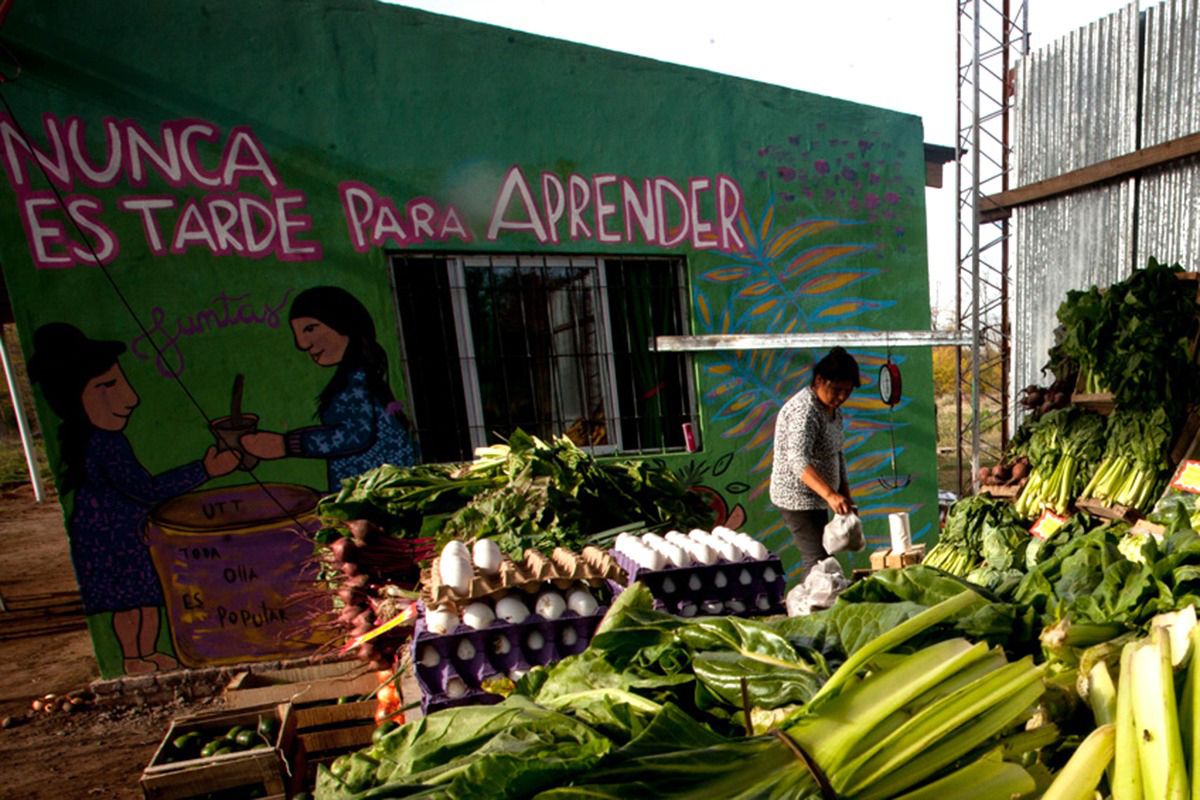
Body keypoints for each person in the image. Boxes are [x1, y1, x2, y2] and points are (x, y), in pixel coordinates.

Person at [28, 322, 240, 674]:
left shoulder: (111, 441)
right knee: (127, 601)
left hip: (133, 533)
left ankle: (146, 653)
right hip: (109, 539)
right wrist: (204, 470)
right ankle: (131, 656)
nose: (130, 397)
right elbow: (145, 489)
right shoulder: (102, 445)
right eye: (106, 386)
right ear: (73, 397)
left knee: (147, 598)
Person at [240, 285, 418, 491]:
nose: (302, 344)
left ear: (342, 323)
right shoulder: (357, 376)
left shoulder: (358, 381)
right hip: (369, 491)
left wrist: (286, 445)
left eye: (310, 328)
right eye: (298, 333)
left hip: (375, 494)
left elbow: (354, 434)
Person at [769, 346, 860, 574]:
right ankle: (810, 608)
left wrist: (845, 496)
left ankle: (819, 604)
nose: (841, 397)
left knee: (823, 557)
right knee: (818, 561)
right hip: (796, 497)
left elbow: (837, 453)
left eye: (847, 391)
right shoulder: (804, 411)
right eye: (837, 389)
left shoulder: (832, 409)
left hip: (820, 495)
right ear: (819, 380)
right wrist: (830, 494)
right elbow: (797, 460)